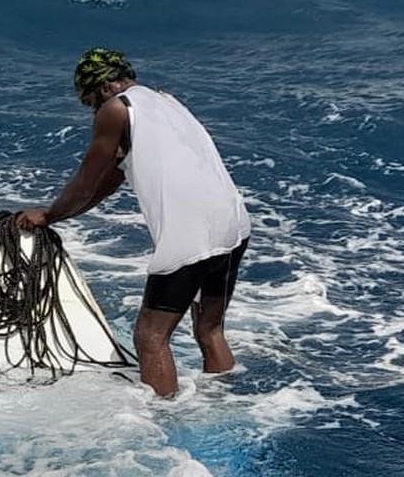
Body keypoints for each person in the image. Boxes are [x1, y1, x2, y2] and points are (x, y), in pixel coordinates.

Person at [17, 48, 251, 397]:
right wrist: (63, 214)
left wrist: (49, 215)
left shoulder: (116, 110)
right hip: (233, 224)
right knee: (209, 329)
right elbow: (109, 181)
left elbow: (87, 178)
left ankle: (164, 424)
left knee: (150, 336)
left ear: (102, 87)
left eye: (90, 102)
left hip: (189, 237)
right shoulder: (164, 102)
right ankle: (226, 408)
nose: (93, 110)